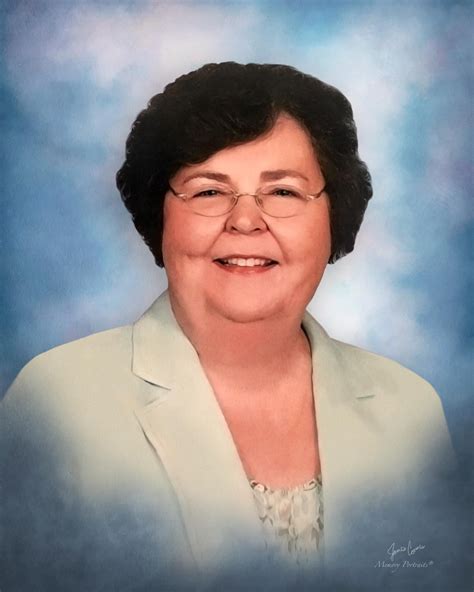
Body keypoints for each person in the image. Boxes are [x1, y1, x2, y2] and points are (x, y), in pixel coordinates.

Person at [0, 62, 457, 592]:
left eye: (283, 192)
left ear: (334, 217)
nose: (244, 220)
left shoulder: (410, 410)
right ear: (160, 216)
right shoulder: (58, 402)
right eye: (208, 192)